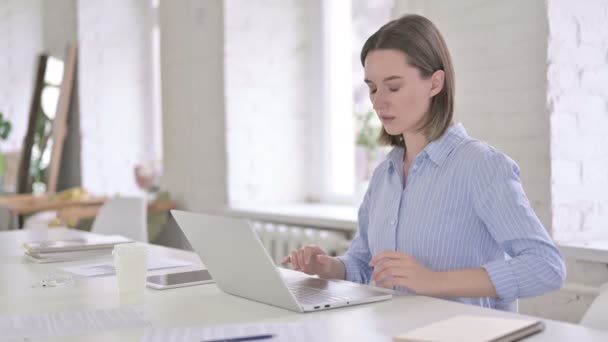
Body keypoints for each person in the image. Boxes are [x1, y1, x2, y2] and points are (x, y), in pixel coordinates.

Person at [282, 14, 566, 311]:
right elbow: (366, 263)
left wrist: (435, 281)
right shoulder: (384, 176)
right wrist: (331, 268)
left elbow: (546, 267)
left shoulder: (482, 166)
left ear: (435, 83)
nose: (378, 102)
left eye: (393, 87)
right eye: (373, 88)